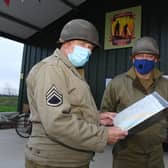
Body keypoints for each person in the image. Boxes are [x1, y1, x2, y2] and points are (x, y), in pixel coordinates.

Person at [25, 19, 128, 168]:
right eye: (83, 45)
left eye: (90, 48)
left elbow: (73, 109)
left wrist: (96, 118)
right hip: (53, 161)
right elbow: (57, 122)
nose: (87, 51)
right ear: (66, 43)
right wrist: (103, 135)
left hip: (71, 158)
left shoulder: (71, 71)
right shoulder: (52, 69)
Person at [100, 36, 168, 168]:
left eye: (149, 56)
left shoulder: (165, 85)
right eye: (140, 55)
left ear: (156, 59)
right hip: (126, 154)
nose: (144, 59)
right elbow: (105, 115)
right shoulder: (117, 83)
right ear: (133, 58)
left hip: (156, 155)